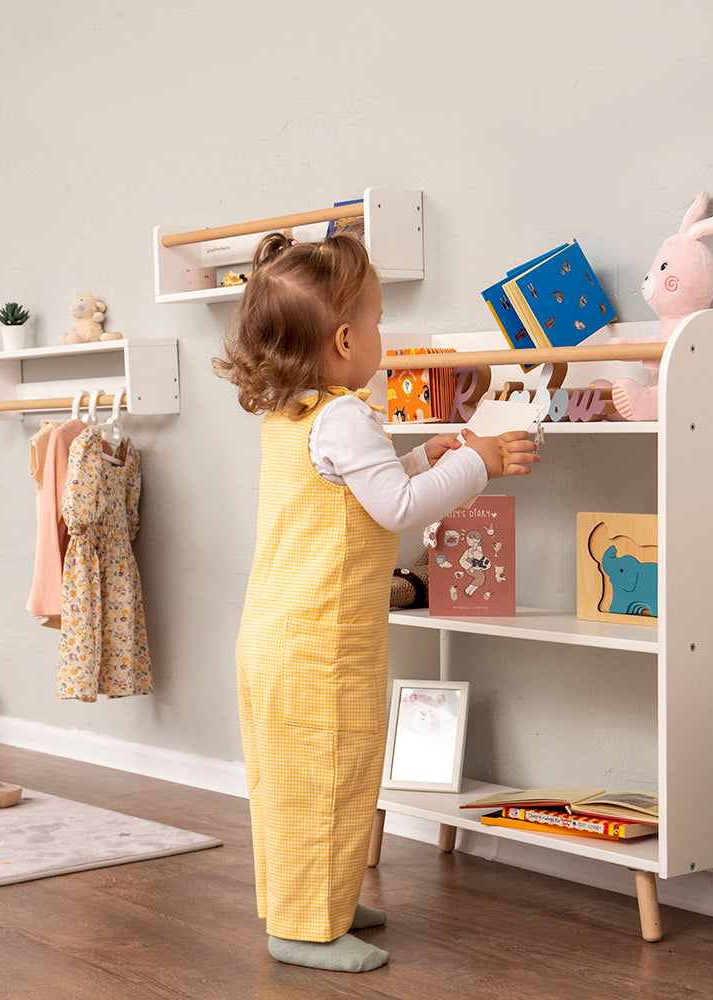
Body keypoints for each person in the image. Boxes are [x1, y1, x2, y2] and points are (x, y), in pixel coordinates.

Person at [214, 232, 539, 973]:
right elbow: (396, 510)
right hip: (318, 640)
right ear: (347, 338)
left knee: (298, 778)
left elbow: (364, 489)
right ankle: (303, 928)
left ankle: (313, 900)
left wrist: (427, 454)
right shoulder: (344, 416)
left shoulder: (296, 415)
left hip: (278, 632)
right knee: (329, 773)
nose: (386, 335)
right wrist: (474, 462)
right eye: (382, 320)